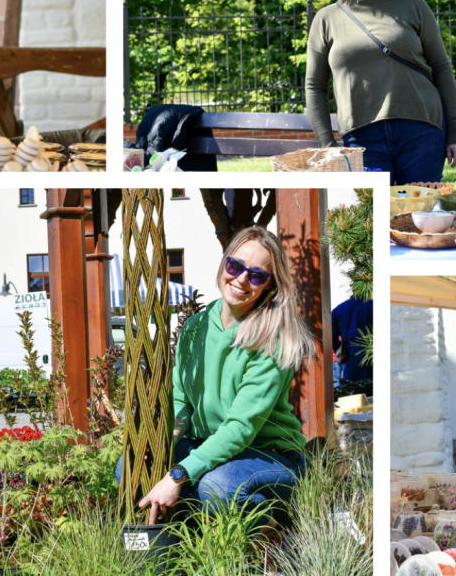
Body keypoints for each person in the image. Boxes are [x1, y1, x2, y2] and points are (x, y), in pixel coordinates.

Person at [118, 225, 317, 525]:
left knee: (216, 487)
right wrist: (164, 441)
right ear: (224, 261)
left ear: (270, 286)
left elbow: (239, 429)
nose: (240, 279)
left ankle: (273, 527)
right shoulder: (196, 326)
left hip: (269, 455)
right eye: (235, 265)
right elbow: (181, 400)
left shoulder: (273, 342)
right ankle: (185, 537)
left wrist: (179, 474)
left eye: (257, 275)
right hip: (210, 446)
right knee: (130, 465)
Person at [305, 0, 456, 185]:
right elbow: (314, 86)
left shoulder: (413, 5)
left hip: (422, 130)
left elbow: (441, 67)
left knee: (418, 219)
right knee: (372, 221)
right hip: (360, 138)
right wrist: (327, 143)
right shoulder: (326, 19)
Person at [332, 296, 372, 383]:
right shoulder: (372, 305)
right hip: (369, 356)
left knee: (351, 391)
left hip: (349, 357)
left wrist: (340, 348)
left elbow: (331, 335)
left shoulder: (338, 309)